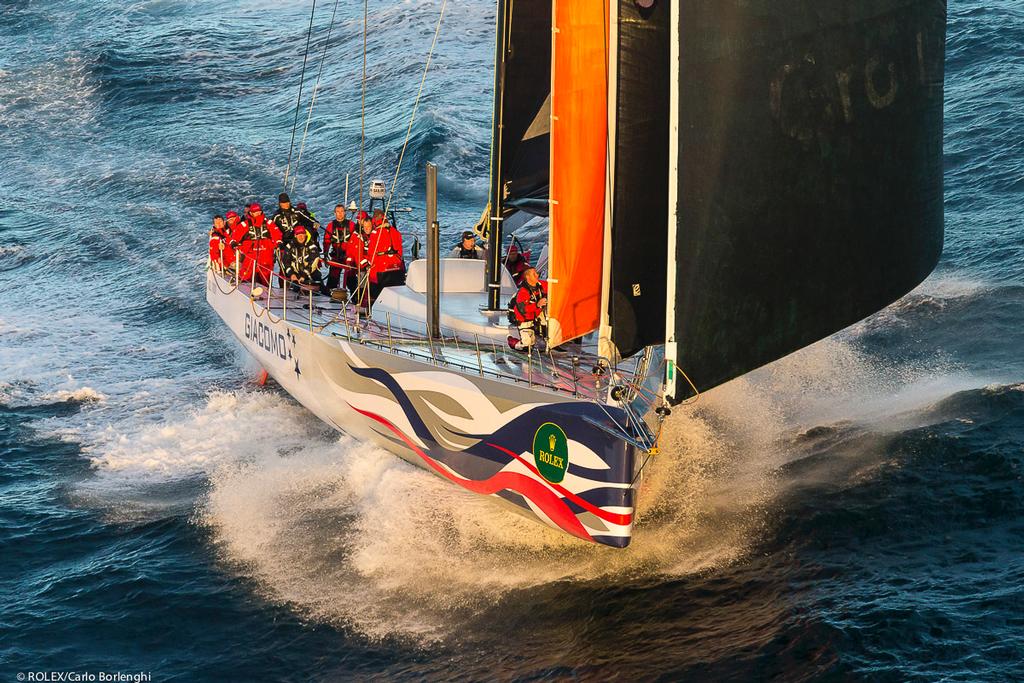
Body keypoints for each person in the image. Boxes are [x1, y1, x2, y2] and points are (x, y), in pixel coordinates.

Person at [232, 202, 282, 284]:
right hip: (250, 256)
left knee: (266, 281)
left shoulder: (269, 223)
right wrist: (233, 242)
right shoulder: (245, 224)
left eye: (259, 212)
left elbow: (276, 233)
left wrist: (278, 242)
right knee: (246, 278)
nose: (258, 214)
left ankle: (266, 293)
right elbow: (236, 234)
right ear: (251, 213)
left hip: (266, 256)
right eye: (255, 212)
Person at [507, 267, 548, 352]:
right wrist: (537, 304)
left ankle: (545, 338)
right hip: (524, 320)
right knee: (527, 348)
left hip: (535, 316)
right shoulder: (523, 292)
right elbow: (523, 310)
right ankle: (511, 340)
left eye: (536, 273)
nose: (537, 275)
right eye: (534, 274)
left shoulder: (540, 285)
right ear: (528, 277)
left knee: (548, 317)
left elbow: (553, 286)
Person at [279, 225, 323, 291]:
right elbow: (286, 263)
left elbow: (313, 263)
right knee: (295, 290)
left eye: (302, 234)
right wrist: (292, 274)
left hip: (311, 274)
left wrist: (304, 276)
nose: (301, 237)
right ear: (295, 236)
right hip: (296, 275)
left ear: (305, 235)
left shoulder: (312, 246)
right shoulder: (289, 246)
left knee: (322, 289)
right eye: (298, 235)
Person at [323, 204, 356, 291]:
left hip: (348, 256)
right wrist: (325, 254)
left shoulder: (351, 225)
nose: (340, 214)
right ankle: (330, 296)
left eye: (342, 211)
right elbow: (326, 241)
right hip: (336, 256)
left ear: (345, 213)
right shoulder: (330, 226)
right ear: (335, 213)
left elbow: (357, 241)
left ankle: (355, 298)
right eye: (338, 212)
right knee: (332, 279)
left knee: (351, 279)